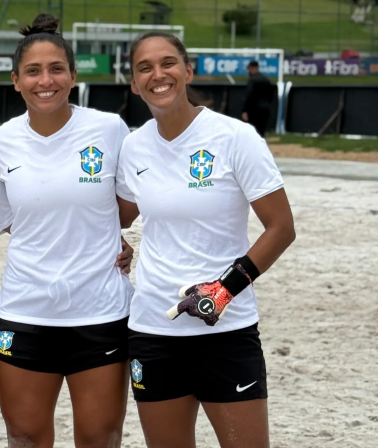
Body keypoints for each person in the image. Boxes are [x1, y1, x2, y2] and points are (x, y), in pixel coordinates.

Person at [116, 32, 296, 448]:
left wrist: (224, 289)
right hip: (154, 330)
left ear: (188, 70)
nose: (158, 74)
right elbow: (114, 218)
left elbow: (281, 227)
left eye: (168, 63)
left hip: (226, 331)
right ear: (134, 83)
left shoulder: (235, 137)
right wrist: (115, 243)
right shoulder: (133, 147)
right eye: (144, 68)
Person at [0, 13, 136, 448]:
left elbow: (125, 210)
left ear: (73, 74)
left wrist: (108, 236)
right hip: (27, 309)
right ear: (16, 81)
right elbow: (15, 218)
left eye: (56, 69)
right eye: (33, 71)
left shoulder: (109, 129)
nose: (45, 80)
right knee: (25, 437)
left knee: (99, 438)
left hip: (100, 310)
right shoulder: (4, 139)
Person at [241, 60, 273, 137]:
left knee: (253, 133)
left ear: (252, 68)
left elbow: (249, 96)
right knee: (261, 133)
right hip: (265, 109)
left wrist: (245, 110)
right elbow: (271, 95)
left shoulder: (252, 80)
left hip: (254, 111)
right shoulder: (266, 79)